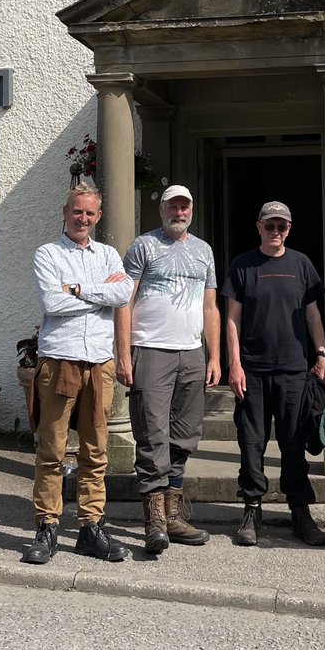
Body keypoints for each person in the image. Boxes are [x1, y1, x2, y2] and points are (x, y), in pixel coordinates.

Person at [22, 184, 133, 565]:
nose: (82, 218)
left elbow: (124, 295)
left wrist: (78, 289)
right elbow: (52, 302)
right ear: (65, 211)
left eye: (90, 213)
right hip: (61, 361)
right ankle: (47, 526)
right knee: (51, 450)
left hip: (100, 364)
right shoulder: (48, 253)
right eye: (77, 211)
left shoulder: (108, 254)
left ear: (98, 217)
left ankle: (90, 527)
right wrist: (99, 293)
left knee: (95, 450)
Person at [116, 184, 221, 553]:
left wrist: (214, 356)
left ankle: (173, 515)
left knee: (185, 435)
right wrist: (124, 354)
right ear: (162, 210)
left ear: (191, 210)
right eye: (173, 206)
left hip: (191, 353)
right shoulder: (144, 246)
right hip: (151, 350)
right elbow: (123, 302)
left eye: (185, 207)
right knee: (152, 435)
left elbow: (210, 307)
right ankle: (154, 521)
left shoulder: (203, 250)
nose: (179, 212)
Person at [221, 201, 325, 548]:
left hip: (294, 368)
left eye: (282, 226)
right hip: (252, 369)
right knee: (251, 443)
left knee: (293, 442)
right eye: (270, 226)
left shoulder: (302, 264)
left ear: (289, 229)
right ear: (259, 227)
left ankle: (299, 510)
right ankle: (252, 509)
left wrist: (322, 353)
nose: (276, 232)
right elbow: (232, 320)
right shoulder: (243, 265)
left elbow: (313, 314)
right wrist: (233, 365)